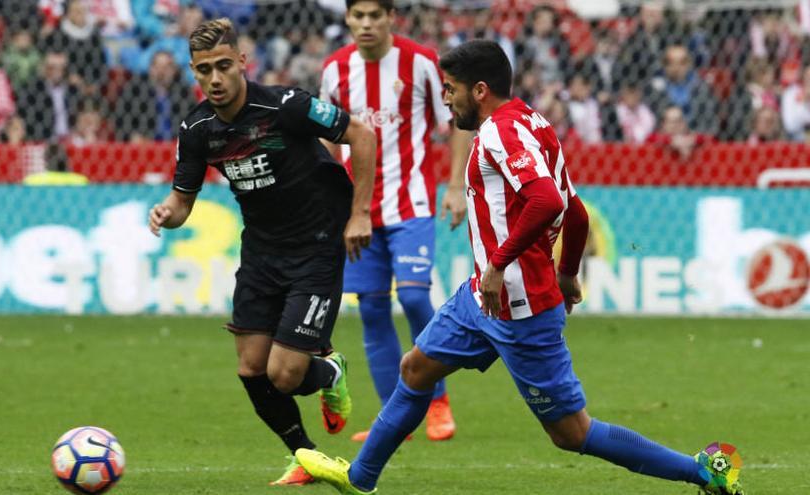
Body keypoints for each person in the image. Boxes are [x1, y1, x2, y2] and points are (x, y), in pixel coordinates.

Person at [296, 40, 744, 495]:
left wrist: (499, 263)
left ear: (481, 90)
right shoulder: (534, 122)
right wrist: (567, 273)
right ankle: (360, 479)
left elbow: (549, 201)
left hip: (520, 309)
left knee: (572, 433)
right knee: (415, 369)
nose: (446, 98)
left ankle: (704, 471)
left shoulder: (499, 133)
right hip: (480, 299)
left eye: (451, 89)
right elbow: (576, 210)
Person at [147, 18, 377, 487]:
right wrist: (165, 213)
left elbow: (362, 135)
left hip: (316, 246)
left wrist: (360, 214)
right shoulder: (197, 130)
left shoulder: (286, 106)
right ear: (194, 72)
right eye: (204, 70)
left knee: (285, 374)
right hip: (261, 252)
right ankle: (308, 456)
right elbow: (183, 201)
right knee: (252, 368)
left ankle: (328, 373)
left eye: (223, 66)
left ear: (242, 63)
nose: (214, 79)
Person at [319, 0, 474, 443]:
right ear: (348, 19)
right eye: (358, 16)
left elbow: (458, 121)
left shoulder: (421, 63)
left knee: (412, 297)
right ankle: (395, 419)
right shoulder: (334, 70)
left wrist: (456, 184)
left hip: (413, 201)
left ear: (390, 17)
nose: (366, 24)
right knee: (370, 307)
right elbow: (329, 139)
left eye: (375, 15)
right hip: (359, 210)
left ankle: (438, 400)